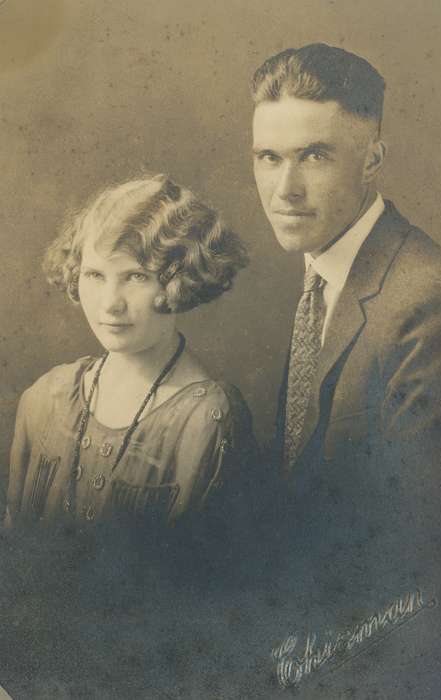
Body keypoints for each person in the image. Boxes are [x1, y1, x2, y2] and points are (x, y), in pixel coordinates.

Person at [251, 43, 441, 694]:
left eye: (315, 156)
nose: (284, 190)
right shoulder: (324, 269)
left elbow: (414, 554)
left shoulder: (430, 303)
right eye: (268, 158)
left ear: (373, 158)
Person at [5, 174, 255, 555]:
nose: (110, 303)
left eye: (135, 276)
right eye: (95, 275)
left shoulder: (207, 420)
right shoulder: (43, 399)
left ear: (180, 280)